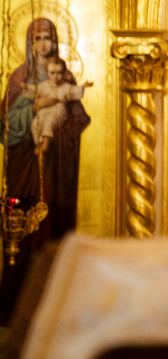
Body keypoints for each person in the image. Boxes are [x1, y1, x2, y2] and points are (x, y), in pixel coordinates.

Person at [0, 18, 91, 325]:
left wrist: (58, 128)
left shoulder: (65, 76)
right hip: (24, 167)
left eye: (48, 38)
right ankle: (13, 305)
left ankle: (57, 303)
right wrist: (32, 111)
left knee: (50, 227)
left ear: (55, 41)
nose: (43, 44)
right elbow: (6, 125)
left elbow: (77, 119)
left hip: (54, 169)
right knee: (22, 230)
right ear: (30, 41)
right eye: (37, 38)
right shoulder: (19, 77)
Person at [25, 56, 93, 155]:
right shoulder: (44, 85)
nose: (56, 76)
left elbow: (74, 91)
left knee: (49, 122)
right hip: (45, 109)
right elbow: (34, 90)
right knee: (35, 123)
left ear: (63, 73)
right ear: (47, 72)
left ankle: (46, 142)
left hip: (59, 109)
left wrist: (83, 86)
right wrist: (25, 87)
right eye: (52, 73)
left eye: (59, 73)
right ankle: (39, 143)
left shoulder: (65, 87)